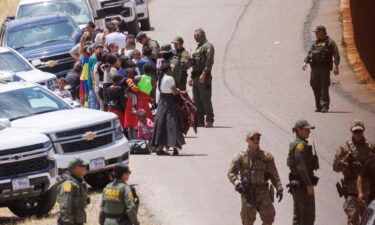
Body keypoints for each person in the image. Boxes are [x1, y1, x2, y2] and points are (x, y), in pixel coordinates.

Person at [228, 131, 283, 225]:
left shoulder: (266, 156)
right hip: (248, 191)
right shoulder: (240, 157)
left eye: (258, 139)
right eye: (253, 139)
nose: (256, 141)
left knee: (269, 216)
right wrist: (237, 183)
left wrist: (279, 187)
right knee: (248, 220)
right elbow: (231, 173)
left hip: (263, 190)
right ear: (247, 140)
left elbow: (274, 174)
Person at [334, 119, 375, 225]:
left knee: (369, 220)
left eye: (360, 131)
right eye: (355, 131)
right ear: (351, 131)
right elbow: (335, 167)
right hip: (351, 188)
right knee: (353, 217)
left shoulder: (371, 147)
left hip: (367, 190)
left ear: (363, 131)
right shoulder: (344, 148)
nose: (358, 134)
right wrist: (344, 162)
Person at [287, 120, 319, 225]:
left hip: (297, 184)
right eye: (306, 130)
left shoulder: (296, 144)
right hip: (303, 185)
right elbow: (301, 167)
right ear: (299, 130)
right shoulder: (300, 146)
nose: (309, 132)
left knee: (298, 216)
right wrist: (309, 184)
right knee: (307, 217)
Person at [302, 25, 340, 113]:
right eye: (315, 33)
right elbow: (310, 53)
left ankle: (324, 106)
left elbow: (336, 54)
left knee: (324, 86)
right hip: (315, 68)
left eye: (317, 32)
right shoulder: (316, 43)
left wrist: (336, 66)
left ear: (322, 32)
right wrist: (305, 63)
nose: (315, 34)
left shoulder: (330, 42)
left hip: (324, 68)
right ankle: (318, 106)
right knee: (315, 86)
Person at [151, 64, 185, 156]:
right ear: (168, 70)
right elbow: (174, 91)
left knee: (163, 124)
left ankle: (160, 149)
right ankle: (174, 147)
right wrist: (180, 91)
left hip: (162, 103)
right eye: (171, 69)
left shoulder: (161, 78)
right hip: (169, 103)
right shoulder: (169, 78)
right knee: (172, 124)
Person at [188, 28, 215, 128]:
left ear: (201, 35)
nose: (194, 37)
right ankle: (200, 120)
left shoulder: (208, 46)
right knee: (196, 100)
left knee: (205, 99)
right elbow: (195, 64)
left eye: (196, 35)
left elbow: (209, 62)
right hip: (196, 77)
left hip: (203, 77)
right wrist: (191, 77)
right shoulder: (198, 48)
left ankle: (209, 119)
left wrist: (204, 74)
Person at [57, 158, 89, 225]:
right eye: (83, 166)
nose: (86, 168)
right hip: (69, 221)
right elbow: (65, 205)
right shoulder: (68, 184)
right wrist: (67, 221)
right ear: (76, 168)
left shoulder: (78, 182)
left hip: (77, 220)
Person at [88, 44, 103, 109]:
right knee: (94, 101)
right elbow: (92, 70)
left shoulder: (91, 57)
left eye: (101, 50)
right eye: (99, 50)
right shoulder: (94, 58)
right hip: (93, 83)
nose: (101, 51)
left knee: (92, 100)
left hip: (91, 82)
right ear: (94, 49)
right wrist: (94, 82)